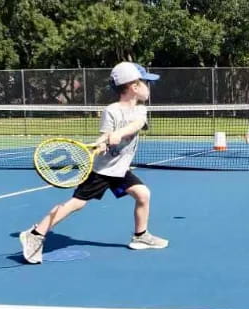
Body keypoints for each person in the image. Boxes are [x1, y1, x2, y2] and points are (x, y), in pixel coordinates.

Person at [19, 62, 169, 264]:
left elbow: (136, 125)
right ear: (134, 86)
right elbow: (105, 136)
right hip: (103, 170)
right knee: (76, 204)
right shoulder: (111, 111)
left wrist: (119, 134)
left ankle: (140, 236)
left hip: (120, 170)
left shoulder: (140, 111)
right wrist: (102, 144)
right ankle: (36, 233)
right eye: (145, 83)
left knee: (143, 194)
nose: (148, 87)